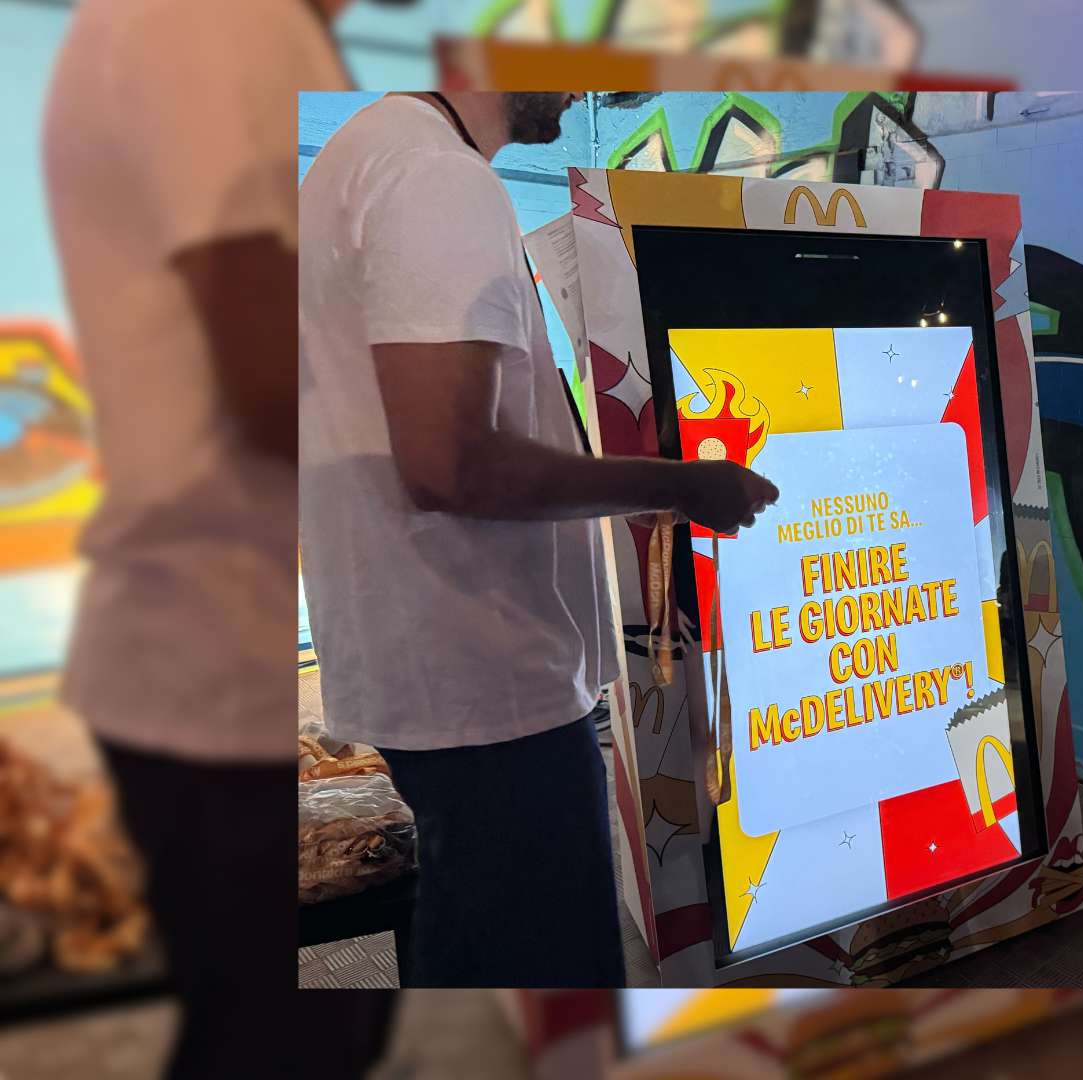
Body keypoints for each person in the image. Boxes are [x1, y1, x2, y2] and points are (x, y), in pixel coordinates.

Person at [298, 91, 777, 988]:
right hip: (485, 677)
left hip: (437, 665)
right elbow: (450, 465)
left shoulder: (364, 158)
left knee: (474, 951)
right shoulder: (437, 175)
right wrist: (682, 486)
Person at [41, 0, 397, 1075]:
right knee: (289, 1042)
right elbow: (264, 380)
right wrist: (452, 457)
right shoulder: (217, 19)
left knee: (288, 1033)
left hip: (193, 647)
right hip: (208, 651)